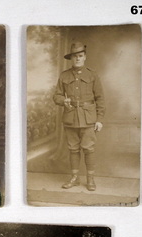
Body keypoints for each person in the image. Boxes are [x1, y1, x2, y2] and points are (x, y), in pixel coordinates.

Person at [53, 41, 105, 191]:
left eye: (80, 56)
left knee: (89, 149)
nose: (78, 59)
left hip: (89, 119)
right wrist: (64, 100)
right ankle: (75, 178)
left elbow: (100, 98)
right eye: (75, 56)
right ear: (71, 58)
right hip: (70, 118)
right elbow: (56, 96)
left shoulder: (92, 75)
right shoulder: (64, 76)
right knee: (73, 149)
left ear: (85, 57)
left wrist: (99, 120)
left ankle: (90, 179)